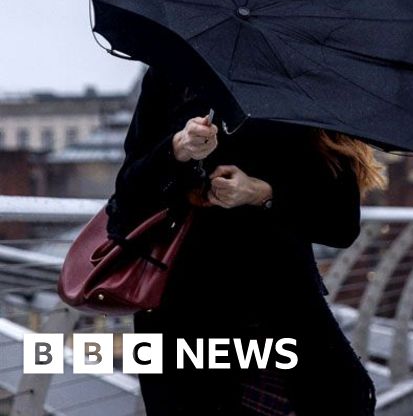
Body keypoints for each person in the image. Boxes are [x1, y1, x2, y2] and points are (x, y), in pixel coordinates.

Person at [105, 65, 385, 415]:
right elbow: (126, 201)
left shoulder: (309, 84)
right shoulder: (172, 75)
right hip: (182, 310)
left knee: (344, 399)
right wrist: (178, 149)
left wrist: (262, 193)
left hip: (276, 308)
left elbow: (341, 223)